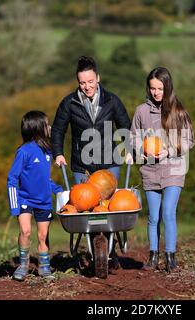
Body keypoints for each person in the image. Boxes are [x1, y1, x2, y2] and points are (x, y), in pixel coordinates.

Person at [51, 56, 132, 269]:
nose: (87, 87)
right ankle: (92, 248)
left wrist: (130, 149)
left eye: (90, 81)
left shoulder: (112, 100)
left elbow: (125, 126)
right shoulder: (69, 102)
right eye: (82, 83)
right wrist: (58, 153)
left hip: (110, 161)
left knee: (111, 207)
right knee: (85, 208)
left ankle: (110, 249)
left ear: (98, 78)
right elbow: (58, 129)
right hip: (82, 164)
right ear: (78, 82)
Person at [130, 67, 195, 273]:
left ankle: (170, 256)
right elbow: (133, 136)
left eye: (160, 88)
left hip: (173, 168)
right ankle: (153, 256)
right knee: (153, 217)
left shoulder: (178, 111)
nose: (156, 92)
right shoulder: (141, 111)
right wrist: (142, 149)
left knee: (168, 212)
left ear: (167, 87)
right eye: (152, 88)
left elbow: (189, 140)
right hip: (150, 169)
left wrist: (169, 150)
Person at [7, 111, 63, 281]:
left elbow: (44, 179)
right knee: (25, 231)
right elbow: (12, 179)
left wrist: (58, 190)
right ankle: (23, 265)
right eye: (47, 125)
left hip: (44, 201)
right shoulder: (24, 152)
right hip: (24, 199)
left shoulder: (48, 152)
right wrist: (14, 205)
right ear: (38, 128)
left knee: (42, 235)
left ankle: (44, 267)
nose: (50, 127)